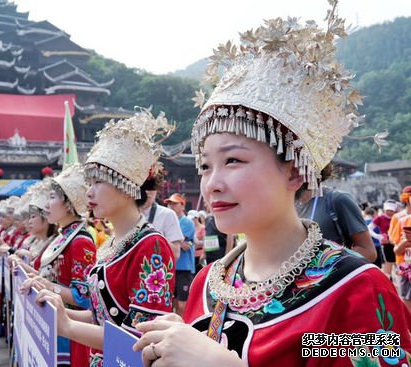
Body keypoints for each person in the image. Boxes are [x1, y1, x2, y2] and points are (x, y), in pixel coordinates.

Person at [133, 3, 411, 365]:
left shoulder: (352, 289)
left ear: (295, 171)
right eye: (204, 166)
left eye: (233, 160)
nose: (212, 184)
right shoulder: (208, 284)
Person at [32, 110, 176, 366]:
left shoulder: (151, 245)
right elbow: (101, 317)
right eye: (89, 182)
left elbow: (141, 339)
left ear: (126, 184)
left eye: (99, 181)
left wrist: (67, 326)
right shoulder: (111, 243)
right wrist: (61, 312)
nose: (89, 192)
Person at [21, 164, 96, 366]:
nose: (47, 205)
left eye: (52, 198)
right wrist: (27, 272)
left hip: (70, 329)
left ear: (69, 203)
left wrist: (47, 287)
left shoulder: (81, 241)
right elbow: (49, 276)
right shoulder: (64, 235)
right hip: (53, 321)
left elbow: (83, 296)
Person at [296, 165, 377, 263]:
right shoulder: (283, 203)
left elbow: (368, 251)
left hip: (328, 276)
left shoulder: (337, 200)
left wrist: (324, 266)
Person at [138, 163, 183, 259]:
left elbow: (175, 254)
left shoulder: (168, 214)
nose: (147, 191)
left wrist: (152, 235)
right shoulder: (127, 213)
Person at [165, 193, 195, 317]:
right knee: (172, 303)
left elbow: (175, 240)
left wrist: (167, 238)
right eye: (170, 203)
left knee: (183, 304)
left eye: (174, 203)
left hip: (184, 268)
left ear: (182, 206)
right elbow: (179, 242)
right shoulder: (170, 221)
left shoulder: (187, 222)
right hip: (170, 267)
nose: (171, 206)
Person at [369, 201, 397, 275]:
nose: (389, 212)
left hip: (397, 243)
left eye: (391, 211)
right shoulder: (380, 218)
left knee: (398, 265)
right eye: (388, 210)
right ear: (384, 210)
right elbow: (369, 228)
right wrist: (379, 237)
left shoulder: (397, 217)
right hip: (386, 244)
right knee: (388, 265)